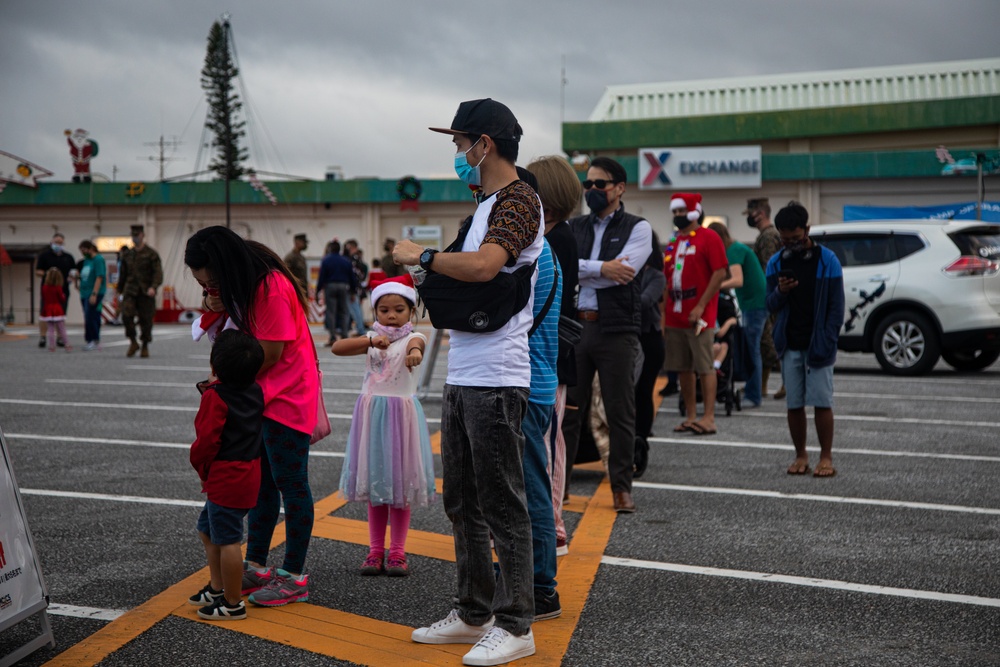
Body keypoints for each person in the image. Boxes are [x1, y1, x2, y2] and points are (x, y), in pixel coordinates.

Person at [397, 98, 542, 666]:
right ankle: (473, 610)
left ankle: (517, 624)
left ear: (486, 143)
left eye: (461, 143)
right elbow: (456, 272)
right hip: (464, 373)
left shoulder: (518, 201)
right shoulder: (482, 205)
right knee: (463, 500)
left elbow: (484, 267)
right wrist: (422, 268)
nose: (457, 153)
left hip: (498, 377)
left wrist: (426, 255)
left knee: (503, 502)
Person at [185, 226, 319, 607]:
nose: (209, 289)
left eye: (211, 283)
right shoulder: (247, 283)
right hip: (257, 396)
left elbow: (270, 353)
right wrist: (217, 303)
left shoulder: (270, 287)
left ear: (225, 266)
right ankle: (257, 565)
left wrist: (222, 380)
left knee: (290, 484)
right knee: (262, 485)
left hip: (285, 397)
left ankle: (294, 576)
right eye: (203, 286)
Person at [562, 156, 652, 514]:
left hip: (616, 330)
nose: (592, 191)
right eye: (588, 185)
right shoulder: (573, 226)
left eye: (600, 184)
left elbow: (626, 273)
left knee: (620, 412)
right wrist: (602, 269)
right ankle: (560, 485)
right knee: (568, 411)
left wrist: (585, 270)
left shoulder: (639, 227)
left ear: (619, 188)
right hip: (576, 328)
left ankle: (621, 488)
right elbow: (564, 268)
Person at [332, 278, 434, 578]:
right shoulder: (371, 338)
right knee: (377, 486)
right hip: (372, 416)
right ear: (374, 312)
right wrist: (369, 340)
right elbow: (338, 348)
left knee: (400, 488)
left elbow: (417, 347)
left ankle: (398, 553)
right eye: (384, 310)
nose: (391, 316)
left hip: (401, 417)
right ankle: (375, 551)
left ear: (411, 312)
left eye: (399, 309)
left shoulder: (414, 336)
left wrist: (414, 354)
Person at [187, 329, 265, 621]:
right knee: (208, 530)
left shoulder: (215, 397)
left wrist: (200, 468)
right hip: (248, 470)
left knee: (229, 539)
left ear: (215, 366)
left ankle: (233, 603)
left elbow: (206, 442)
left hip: (225, 474)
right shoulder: (255, 389)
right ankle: (218, 588)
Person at [765, 201, 845, 478]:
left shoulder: (827, 260)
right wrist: (781, 291)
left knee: (822, 402)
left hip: (818, 343)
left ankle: (826, 457)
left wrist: (828, 338)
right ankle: (800, 455)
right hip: (790, 343)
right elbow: (770, 304)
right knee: (794, 404)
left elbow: (837, 307)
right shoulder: (776, 262)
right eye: (785, 240)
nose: (791, 244)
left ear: (807, 230)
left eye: (796, 238)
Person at [525, 155, 580, 557]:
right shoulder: (557, 235)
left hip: (547, 356)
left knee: (547, 444)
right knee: (546, 442)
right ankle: (549, 523)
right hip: (550, 355)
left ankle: (553, 525)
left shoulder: (554, 239)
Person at [515, 165, 563, 622]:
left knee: (530, 491)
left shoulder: (534, 256)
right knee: (530, 487)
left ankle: (541, 586)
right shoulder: (545, 252)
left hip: (526, 385)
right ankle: (530, 578)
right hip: (539, 382)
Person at [662, 193, 729, 436]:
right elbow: (667, 280)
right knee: (683, 368)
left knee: (704, 366)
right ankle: (691, 415)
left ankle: (708, 417)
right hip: (675, 312)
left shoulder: (709, 237)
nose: (678, 216)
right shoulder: (673, 241)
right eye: (675, 212)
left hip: (700, 312)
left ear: (694, 211)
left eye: (682, 212)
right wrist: (663, 316)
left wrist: (701, 305)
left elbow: (720, 272)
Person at [708, 222, 767, 407]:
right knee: (752, 347)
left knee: (752, 349)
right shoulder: (737, 248)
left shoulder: (733, 251)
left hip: (754, 304)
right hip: (755, 302)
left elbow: (737, 280)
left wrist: (713, 287)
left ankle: (753, 395)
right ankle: (753, 391)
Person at [746, 198, 786, 399]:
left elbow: (769, 268)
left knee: (769, 342)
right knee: (766, 343)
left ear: (759, 214)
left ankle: (787, 382)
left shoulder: (769, 237)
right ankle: (761, 386)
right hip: (771, 295)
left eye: (750, 214)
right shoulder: (766, 235)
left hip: (769, 296)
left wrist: (766, 295)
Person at [633, 233, 666, 474]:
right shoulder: (628, 269)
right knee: (628, 394)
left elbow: (644, 302)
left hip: (649, 339)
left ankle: (640, 441)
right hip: (628, 337)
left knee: (643, 391)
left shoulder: (656, 275)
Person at [118, 225, 163, 358]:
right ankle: (133, 341)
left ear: (142, 235)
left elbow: (158, 273)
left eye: (137, 235)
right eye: (133, 235)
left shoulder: (151, 254)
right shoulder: (127, 254)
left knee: (146, 320)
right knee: (126, 316)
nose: (135, 238)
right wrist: (119, 290)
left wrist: (153, 287)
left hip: (146, 292)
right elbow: (123, 274)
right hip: (130, 290)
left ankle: (144, 345)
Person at [35, 233, 76, 348]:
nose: (58, 244)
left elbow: (74, 271)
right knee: (44, 313)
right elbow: (38, 271)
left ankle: (60, 338)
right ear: (51, 242)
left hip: (63, 290)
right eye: (56, 242)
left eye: (60, 243)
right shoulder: (44, 255)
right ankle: (43, 336)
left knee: (60, 314)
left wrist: (72, 277)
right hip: (48, 290)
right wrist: (50, 275)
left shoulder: (68, 257)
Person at [316, 239, 355, 345]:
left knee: (331, 312)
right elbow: (352, 277)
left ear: (330, 248)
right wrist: (353, 291)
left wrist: (318, 290)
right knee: (344, 311)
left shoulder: (326, 260)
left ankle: (332, 337)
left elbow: (321, 276)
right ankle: (344, 335)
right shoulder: (346, 260)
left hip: (330, 286)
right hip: (344, 286)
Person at [76, 240, 107, 351]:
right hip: (84, 292)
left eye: (84, 250)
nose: (83, 253)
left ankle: (93, 339)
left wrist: (94, 293)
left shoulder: (98, 260)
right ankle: (90, 339)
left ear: (90, 248)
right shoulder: (87, 261)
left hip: (94, 292)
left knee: (91, 316)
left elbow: (99, 277)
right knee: (88, 315)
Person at [39, 267, 71, 352]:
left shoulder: (44, 287)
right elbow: (62, 299)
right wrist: (63, 296)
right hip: (57, 308)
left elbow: (44, 297)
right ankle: (66, 344)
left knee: (50, 329)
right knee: (61, 328)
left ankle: (52, 346)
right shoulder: (58, 287)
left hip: (48, 308)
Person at [343, 239, 369, 335]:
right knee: (356, 308)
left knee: (354, 309)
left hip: (352, 288)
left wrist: (353, 288)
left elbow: (353, 276)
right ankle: (360, 328)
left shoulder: (352, 259)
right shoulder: (357, 259)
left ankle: (360, 329)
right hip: (356, 287)